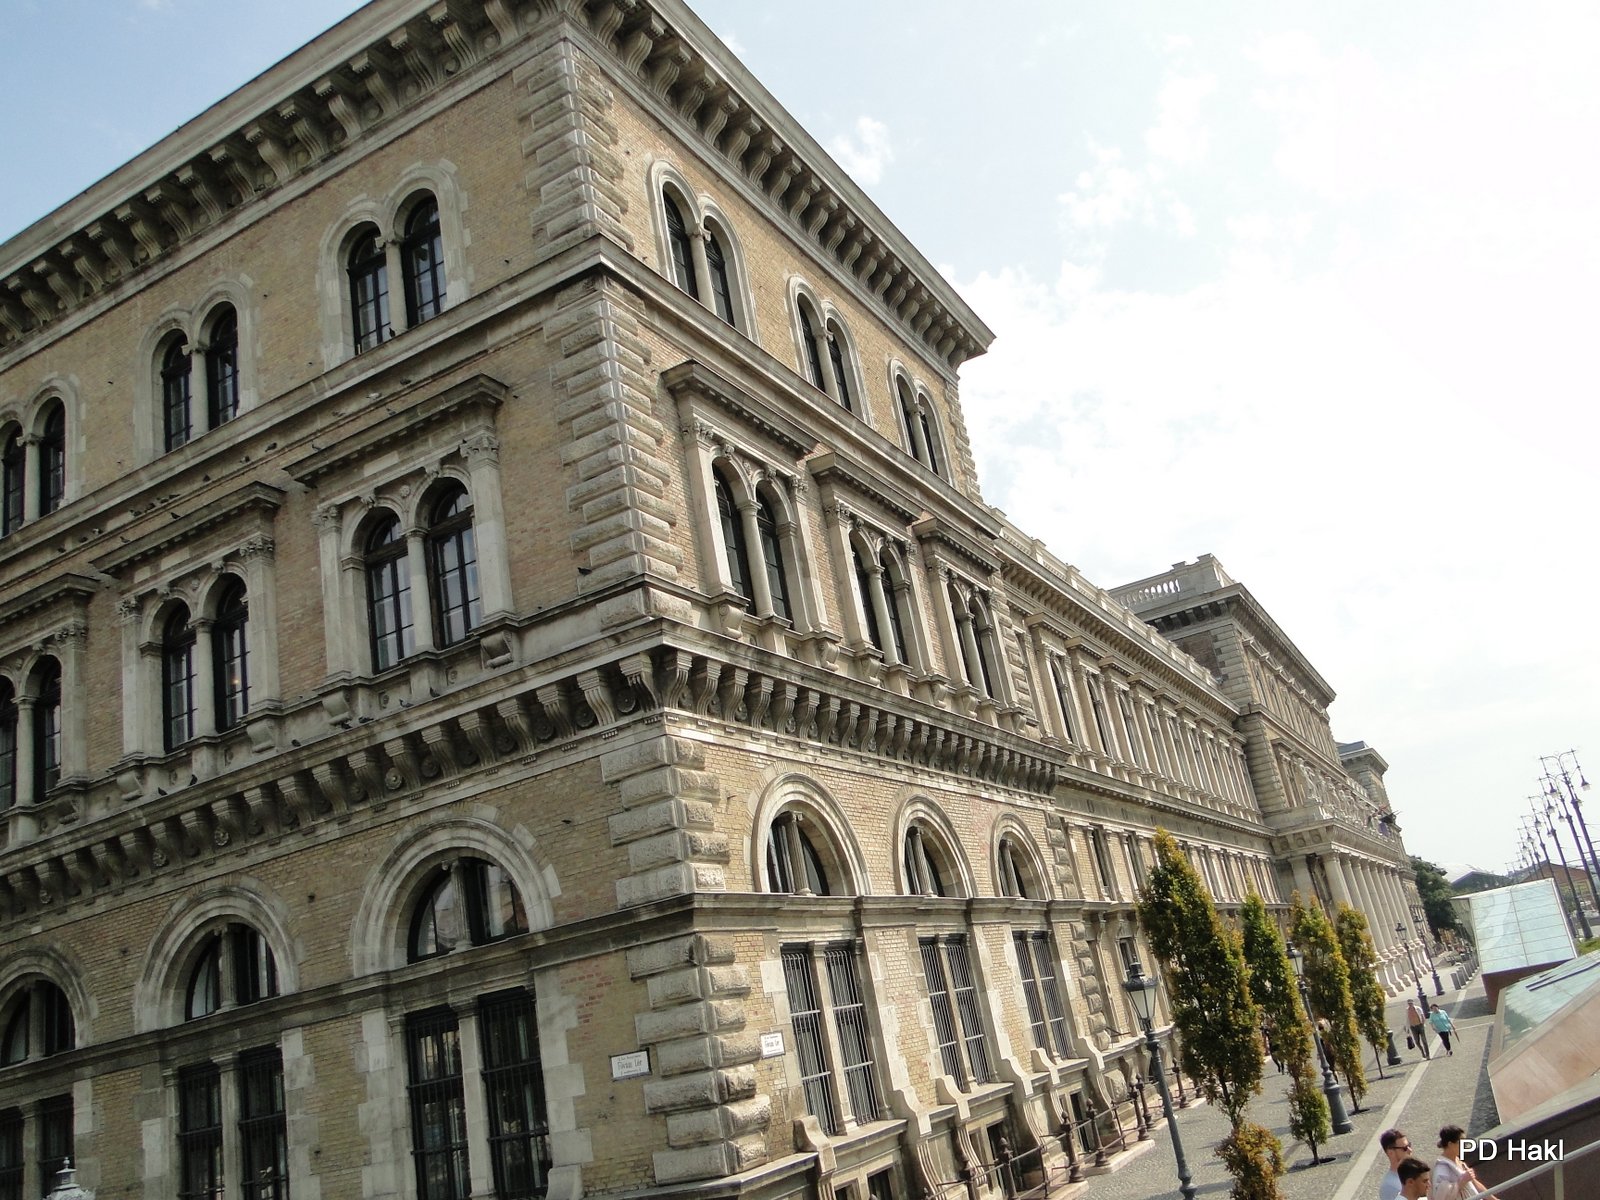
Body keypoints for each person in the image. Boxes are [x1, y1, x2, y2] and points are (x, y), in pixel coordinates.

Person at [1432, 1125, 1495, 1198]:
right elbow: (1441, 1197)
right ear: (1450, 1144)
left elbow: (1475, 1184)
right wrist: (1462, 1181)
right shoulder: (1441, 1168)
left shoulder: (1459, 1161)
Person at [1379, 1129, 1415, 1200]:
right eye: (1405, 1148)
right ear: (1391, 1152)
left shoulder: (1417, 1174)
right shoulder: (1389, 1186)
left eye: (1409, 1145)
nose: (1410, 1150)